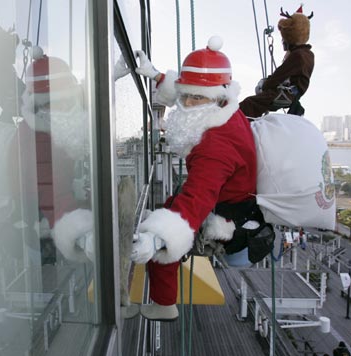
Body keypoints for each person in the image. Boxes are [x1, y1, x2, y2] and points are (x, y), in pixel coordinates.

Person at [131, 37, 269, 321]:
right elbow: (188, 99)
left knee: (164, 238)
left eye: (197, 97)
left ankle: (164, 305)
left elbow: (196, 202)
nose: (187, 104)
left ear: (217, 97)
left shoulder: (214, 149)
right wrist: (157, 76)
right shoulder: (227, 109)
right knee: (167, 214)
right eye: (185, 95)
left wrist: (157, 240)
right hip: (235, 200)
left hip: (225, 214)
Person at [239, 5, 314, 118]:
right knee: (253, 105)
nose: (282, 41)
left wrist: (264, 85)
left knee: (248, 104)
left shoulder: (297, 56)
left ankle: (234, 127)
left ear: (289, 38)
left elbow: (278, 76)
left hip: (285, 94)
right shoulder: (308, 54)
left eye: (283, 39)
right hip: (292, 94)